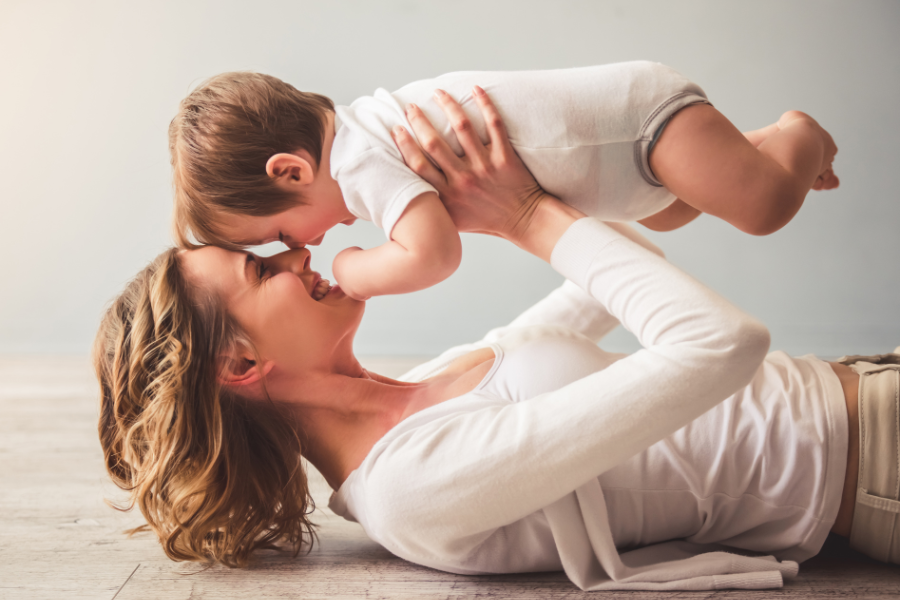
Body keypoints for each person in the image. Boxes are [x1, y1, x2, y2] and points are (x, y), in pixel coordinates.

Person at [95, 95, 895, 592]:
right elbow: (723, 345)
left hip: (865, 385)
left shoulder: (429, 385)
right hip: (876, 468)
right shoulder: (413, 485)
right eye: (260, 266)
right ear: (241, 365)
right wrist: (525, 219)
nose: (299, 253)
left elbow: (618, 264)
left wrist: (502, 177)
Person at [168, 63, 839, 301]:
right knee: (675, 211)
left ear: (292, 170)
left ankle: (795, 134)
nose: (304, 247)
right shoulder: (365, 134)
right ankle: (749, 146)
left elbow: (433, 254)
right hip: (630, 168)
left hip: (640, 127)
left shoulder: (358, 159)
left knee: (762, 207)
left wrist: (355, 269)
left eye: (283, 231)